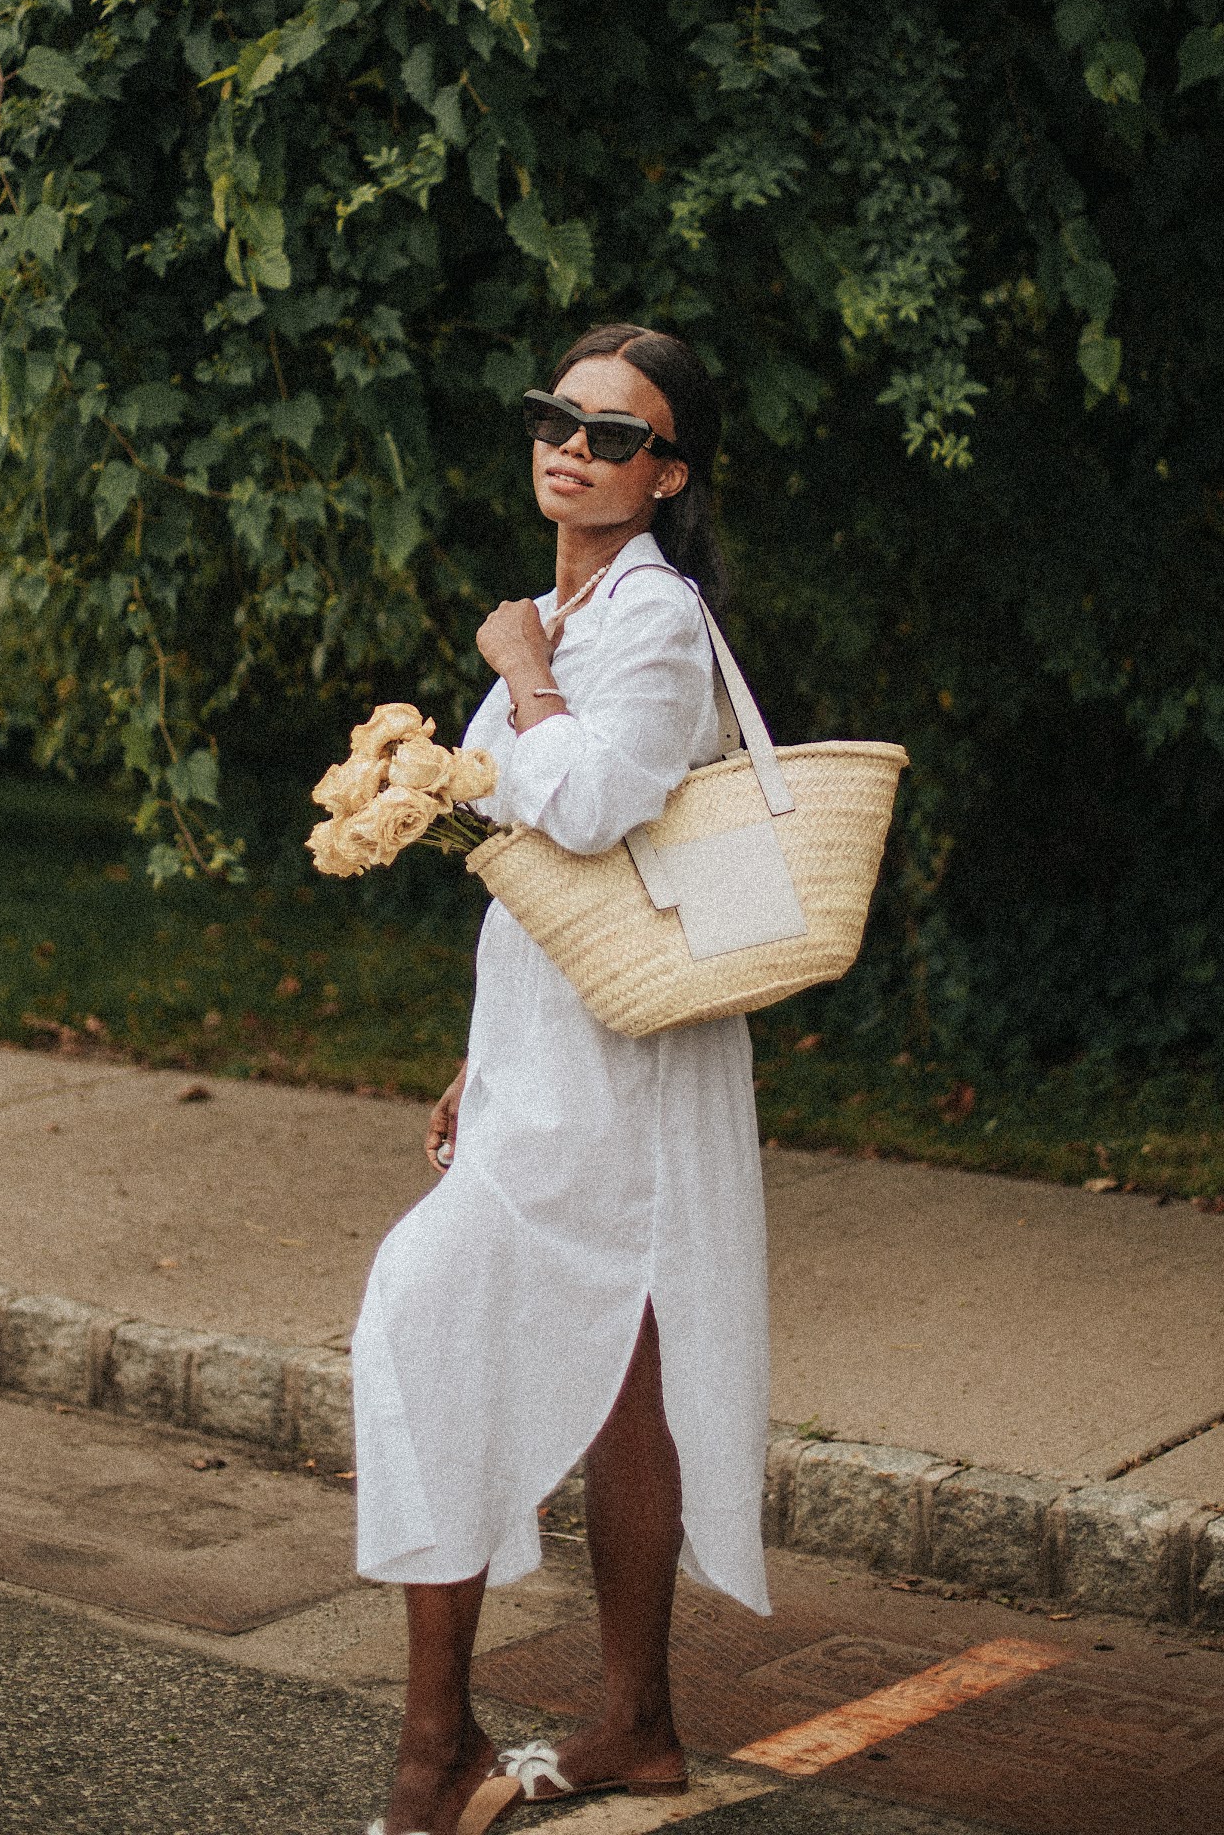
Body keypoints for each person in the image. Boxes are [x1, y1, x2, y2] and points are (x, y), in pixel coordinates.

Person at [351, 323, 771, 1835]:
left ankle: (433, 1754)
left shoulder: (644, 621)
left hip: (623, 1073)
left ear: (666, 473)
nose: (570, 449)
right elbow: (530, 876)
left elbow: (587, 808)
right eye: (557, 418)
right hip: (545, 1044)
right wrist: (480, 1054)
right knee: (618, 1377)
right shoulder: (559, 606)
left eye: (611, 434)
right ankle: (635, 1722)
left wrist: (522, 674)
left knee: (429, 1317)